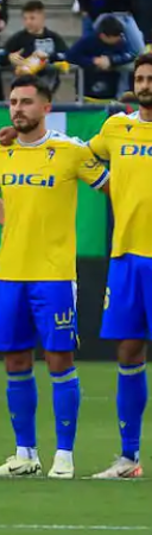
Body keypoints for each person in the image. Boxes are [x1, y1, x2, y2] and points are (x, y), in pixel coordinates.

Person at [0, 75, 108, 479]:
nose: (18, 108)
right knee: (15, 360)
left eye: (27, 102)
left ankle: (65, 457)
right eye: (13, 102)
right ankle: (25, 454)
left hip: (53, 276)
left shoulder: (70, 152)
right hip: (9, 274)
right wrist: (9, 220)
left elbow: (113, 187)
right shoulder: (2, 153)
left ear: (47, 108)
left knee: (59, 359)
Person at [88, 54, 152, 478]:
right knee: (128, 351)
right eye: (141, 78)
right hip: (128, 256)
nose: (146, 84)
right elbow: (79, 157)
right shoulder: (116, 127)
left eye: (151, 78)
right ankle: (129, 458)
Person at [67, 13, 143, 102]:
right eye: (115, 37)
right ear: (103, 36)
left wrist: (111, 60)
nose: (119, 39)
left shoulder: (120, 42)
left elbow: (129, 56)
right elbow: (70, 56)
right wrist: (93, 61)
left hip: (112, 89)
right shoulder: (88, 40)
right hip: (88, 89)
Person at [0, 0, 69, 82]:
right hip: (23, 84)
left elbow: (66, 55)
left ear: (42, 17)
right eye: (25, 19)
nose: (28, 22)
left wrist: (48, 57)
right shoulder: (19, 37)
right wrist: (8, 56)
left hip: (47, 85)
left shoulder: (53, 37)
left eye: (32, 18)